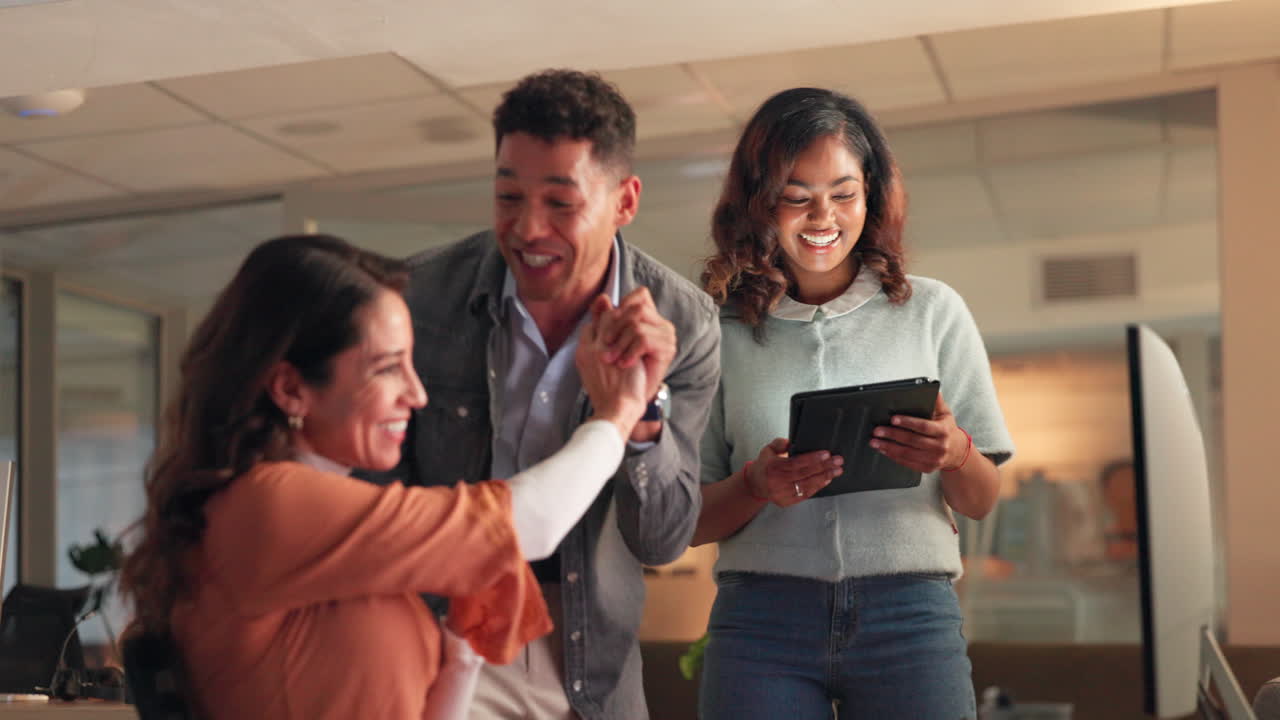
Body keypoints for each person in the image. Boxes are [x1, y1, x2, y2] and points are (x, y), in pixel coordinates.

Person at [118, 234, 652, 720]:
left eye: (411, 364)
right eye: (386, 368)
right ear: (290, 389)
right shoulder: (270, 503)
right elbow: (531, 524)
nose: (416, 395)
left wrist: (462, 650)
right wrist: (616, 415)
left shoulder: (336, 528)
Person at [380, 69, 721, 720]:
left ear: (624, 201)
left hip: (587, 652)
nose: (528, 229)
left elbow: (662, 540)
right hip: (439, 626)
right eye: (508, 197)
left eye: (560, 204)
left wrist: (642, 418)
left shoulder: (685, 322)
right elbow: (375, 496)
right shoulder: (417, 299)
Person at [693, 88, 1016, 719]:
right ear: (759, 200)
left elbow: (980, 500)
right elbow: (691, 520)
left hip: (910, 617)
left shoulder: (932, 310)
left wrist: (956, 452)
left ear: (870, 196)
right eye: (797, 194)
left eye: (843, 193)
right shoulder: (716, 331)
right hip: (762, 621)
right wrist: (757, 483)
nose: (823, 216)